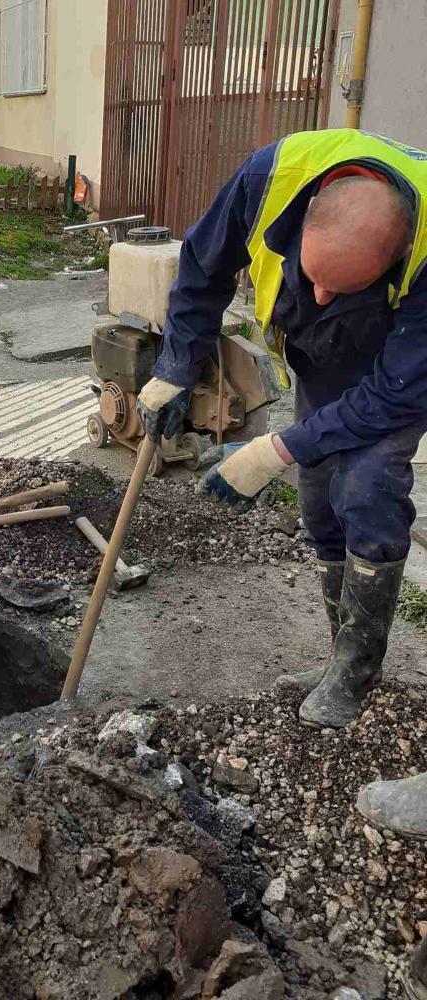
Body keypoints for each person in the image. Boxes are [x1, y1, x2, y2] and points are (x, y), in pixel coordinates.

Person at [136, 129, 427, 844]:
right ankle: (340, 656)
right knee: (320, 496)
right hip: (325, 353)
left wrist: (274, 447)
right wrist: (178, 362)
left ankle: (357, 675)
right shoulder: (270, 178)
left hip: (394, 366)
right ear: (304, 219)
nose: (320, 290)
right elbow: (203, 268)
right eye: (315, 273)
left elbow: (395, 394)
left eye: (342, 284)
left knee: (366, 490)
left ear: (393, 258)